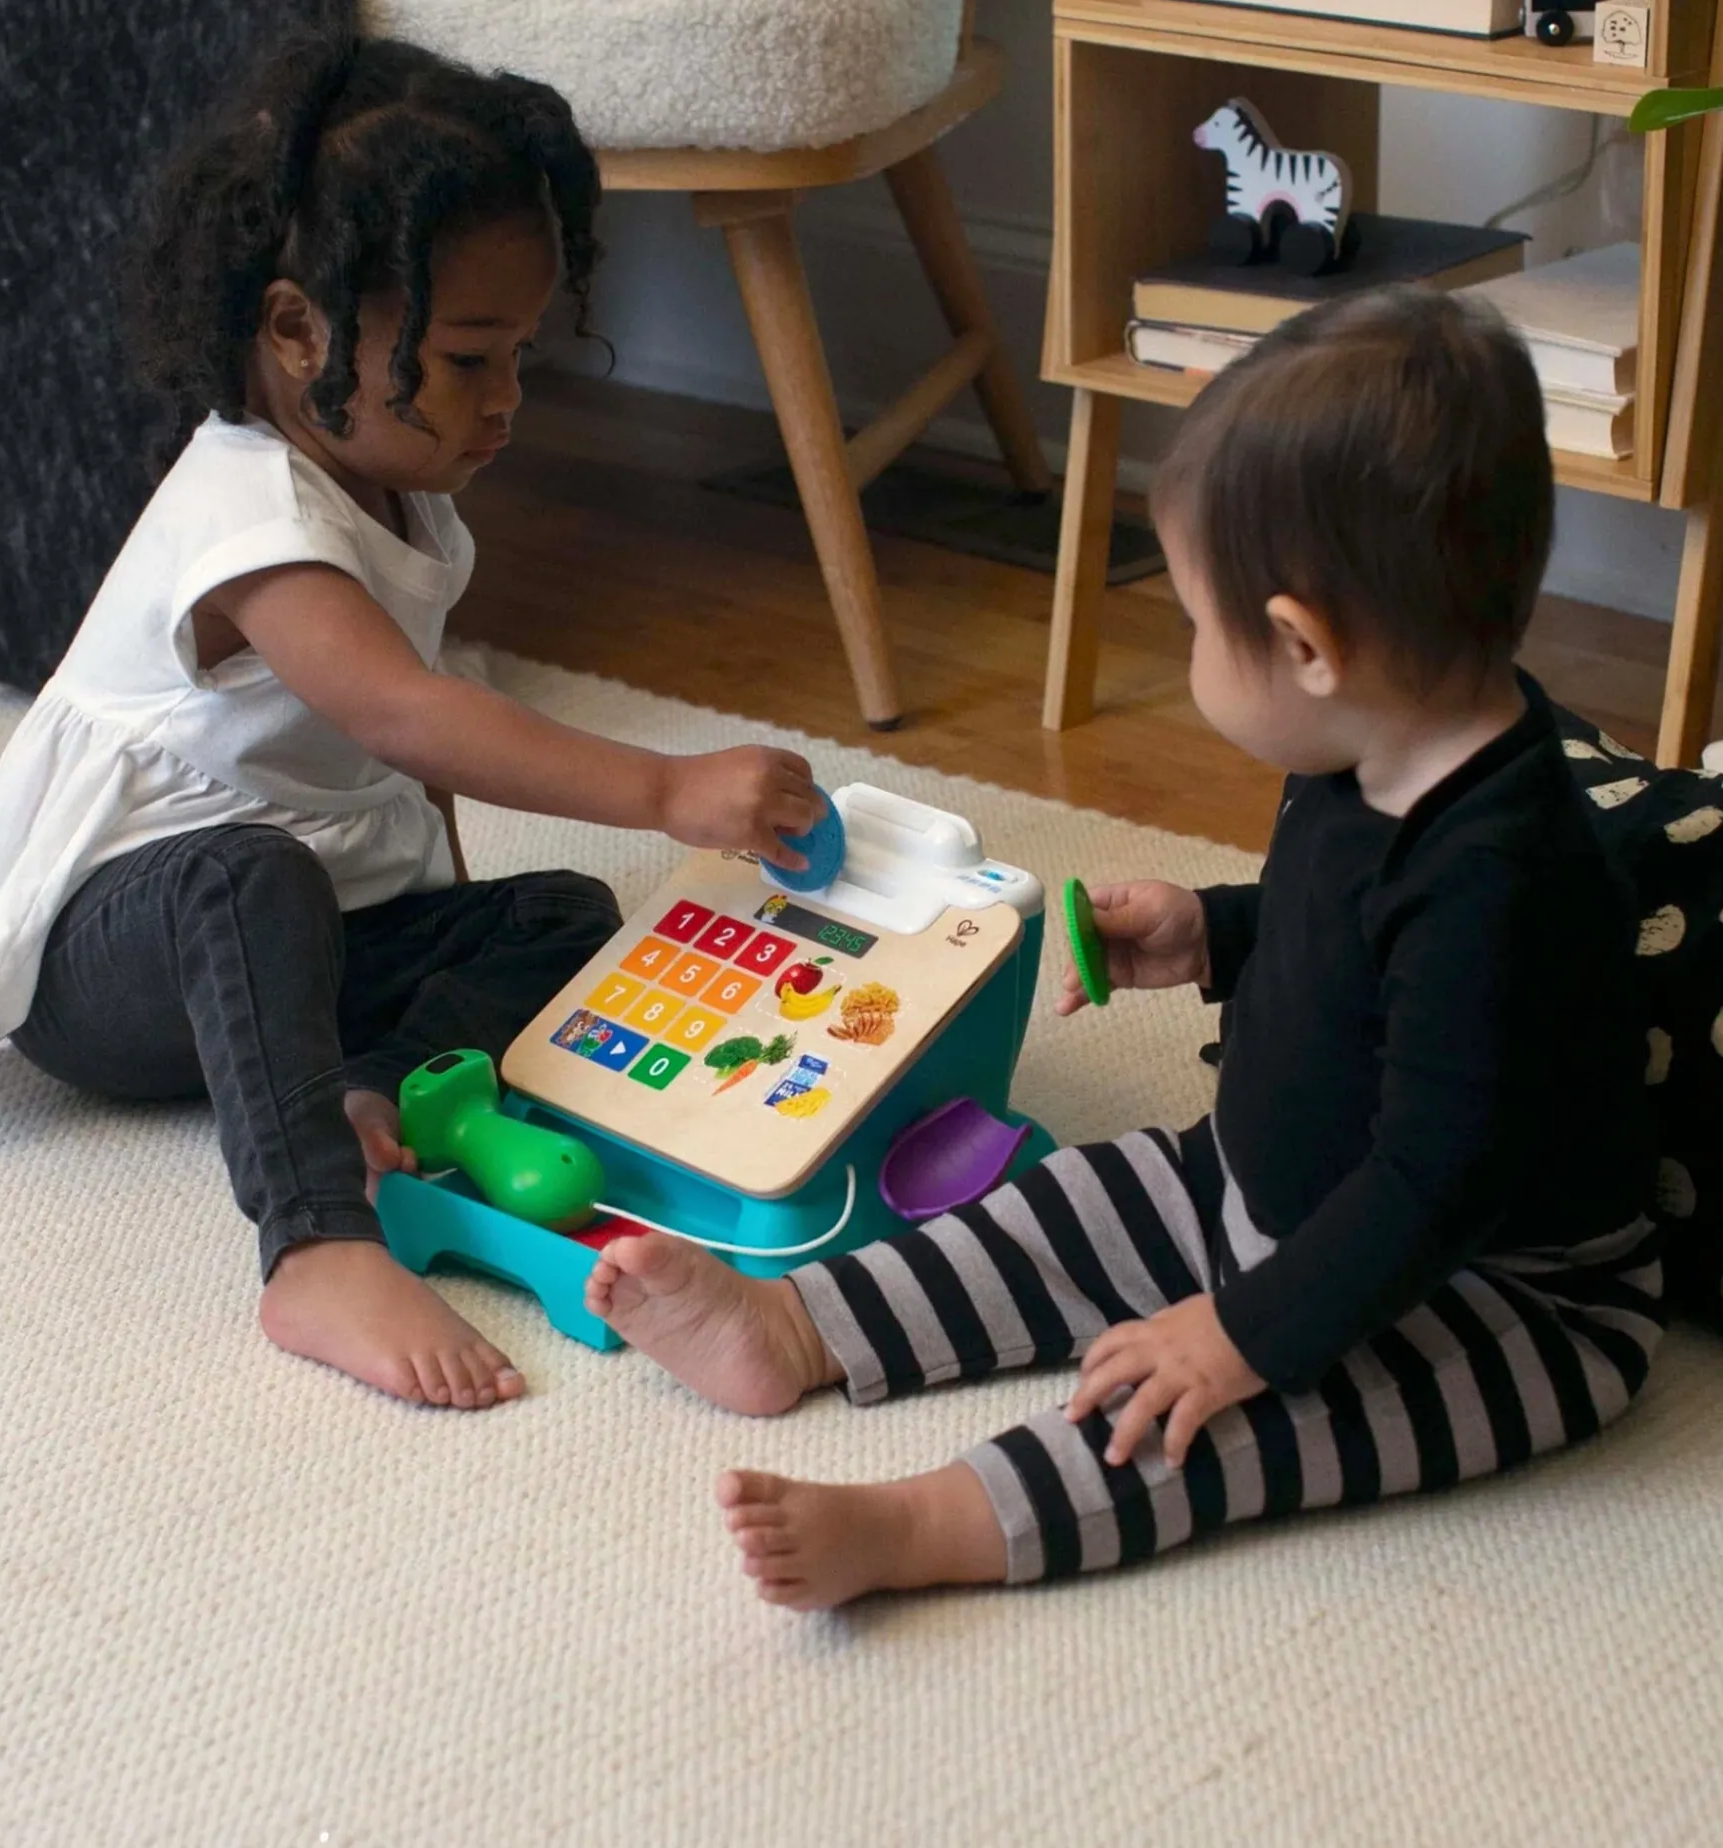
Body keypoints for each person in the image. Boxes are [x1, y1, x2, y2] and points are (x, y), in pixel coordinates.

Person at [584, 287, 1662, 1608]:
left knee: (1202, 1419)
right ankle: (796, 1327)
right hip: (1270, 1185)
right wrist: (1217, 931)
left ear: (1305, 645)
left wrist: (1241, 1334)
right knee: (1065, 1207)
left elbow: (1436, 1184)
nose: (1193, 651)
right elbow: (1350, 937)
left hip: (1497, 1292)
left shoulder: (1506, 879)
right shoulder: (1372, 740)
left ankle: (923, 1526)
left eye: (1199, 625)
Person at [0, 33, 823, 1411]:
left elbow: (405, 764)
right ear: (297, 331)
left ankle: (369, 1089)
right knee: (249, 877)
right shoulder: (248, 517)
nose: (507, 399)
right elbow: (407, 714)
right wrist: (671, 790)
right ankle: (314, 1243)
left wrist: (449, 912)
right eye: (468, 358)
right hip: (116, 958)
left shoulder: (397, 492)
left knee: (561, 915)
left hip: (306, 928)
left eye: (521, 356)